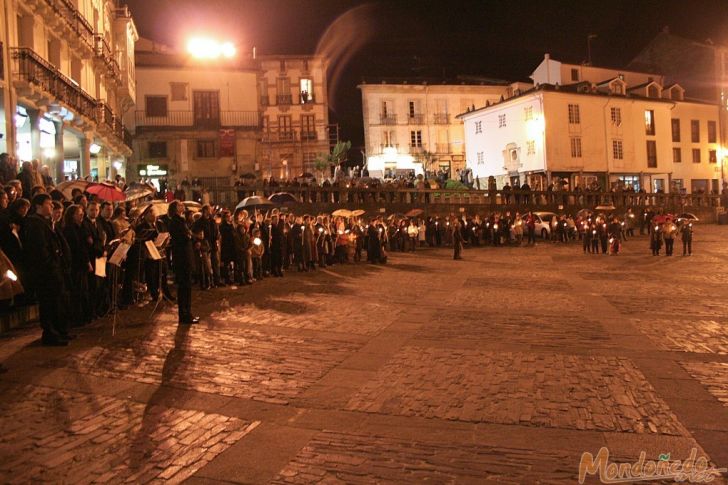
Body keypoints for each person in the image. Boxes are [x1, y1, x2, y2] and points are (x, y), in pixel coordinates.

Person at [22, 194, 71, 345]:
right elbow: (40, 250)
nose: (51, 207)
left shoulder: (45, 222)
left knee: (57, 301)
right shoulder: (35, 224)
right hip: (46, 272)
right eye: (48, 204)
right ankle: (50, 333)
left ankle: (59, 330)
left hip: (53, 268)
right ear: (38, 206)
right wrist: (51, 264)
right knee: (49, 302)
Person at [168, 201, 198, 324]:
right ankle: (185, 314)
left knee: (186, 286)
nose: (183, 206)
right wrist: (190, 235)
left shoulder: (181, 220)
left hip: (184, 257)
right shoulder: (177, 222)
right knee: (184, 287)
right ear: (175, 208)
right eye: (180, 205)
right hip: (182, 258)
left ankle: (187, 313)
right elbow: (185, 236)